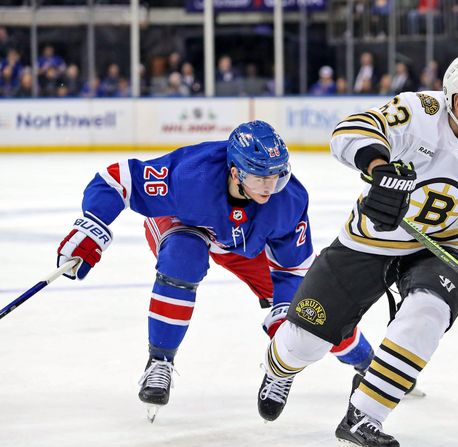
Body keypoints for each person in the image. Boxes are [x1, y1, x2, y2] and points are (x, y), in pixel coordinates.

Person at [256, 54, 458, 447]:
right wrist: (379, 169)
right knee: (303, 343)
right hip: (368, 241)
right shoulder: (418, 112)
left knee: (428, 312)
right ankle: (280, 371)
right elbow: (350, 131)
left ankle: (363, 418)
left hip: (438, 248)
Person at [56, 121, 374, 422]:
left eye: (277, 176)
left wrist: (285, 321)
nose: (270, 186)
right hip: (188, 222)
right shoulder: (190, 175)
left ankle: (364, 364)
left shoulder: (286, 200)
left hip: (245, 242)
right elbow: (116, 179)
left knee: (308, 310)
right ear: (234, 172)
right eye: (260, 177)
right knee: (183, 257)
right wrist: (92, 227)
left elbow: (292, 270)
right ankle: (160, 362)